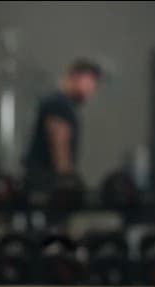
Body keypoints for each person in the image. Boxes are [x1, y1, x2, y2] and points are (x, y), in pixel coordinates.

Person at [23, 58, 102, 190]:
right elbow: (60, 145)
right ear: (75, 77)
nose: (92, 88)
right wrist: (66, 183)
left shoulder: (62, 104)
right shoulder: (60, 104)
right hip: (46, 186)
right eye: (89, 81)